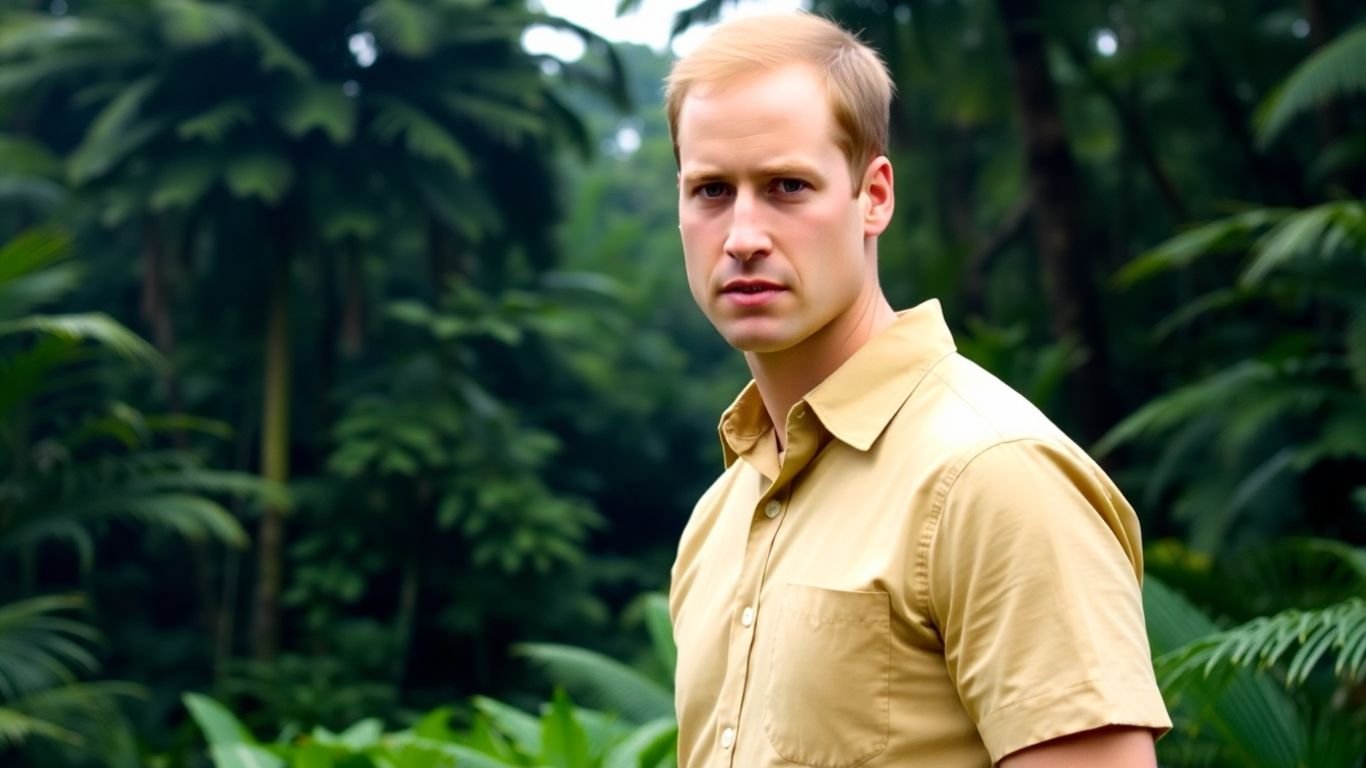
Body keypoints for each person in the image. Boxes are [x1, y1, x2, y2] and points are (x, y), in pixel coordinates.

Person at [664, 11, 1171, 768]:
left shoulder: (994, 476)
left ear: (874, 196)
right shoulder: (719, 516)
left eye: (787, 186)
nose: (741, 237)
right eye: (710, 190)